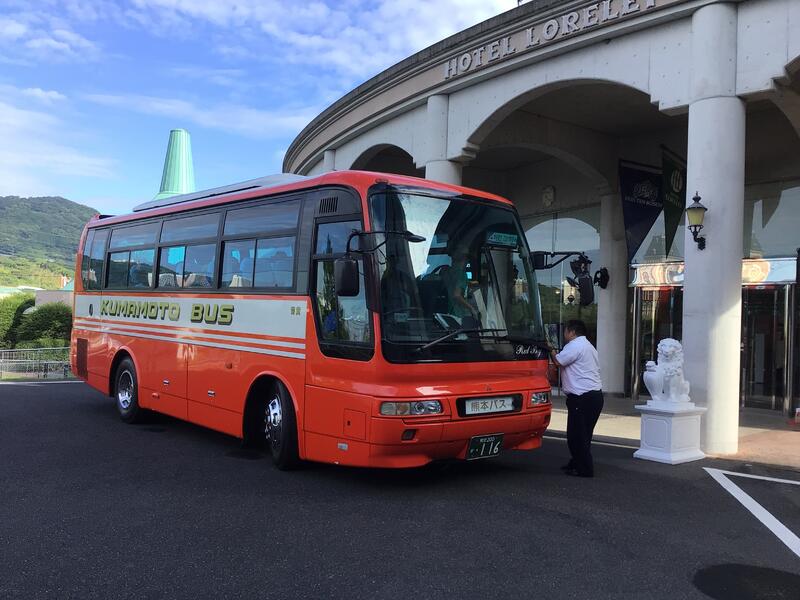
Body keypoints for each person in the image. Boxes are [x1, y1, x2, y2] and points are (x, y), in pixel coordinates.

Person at [549, 319, 603, 478]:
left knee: (576, 435)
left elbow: (558, 361)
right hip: (594, 396)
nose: (564, 333)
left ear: (572, 332)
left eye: (565, 330)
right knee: (584, 434)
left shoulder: (575, 345)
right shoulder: (588, 346)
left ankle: (584, 469)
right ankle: (576, 462)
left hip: (582, 397)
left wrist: (551, 350)